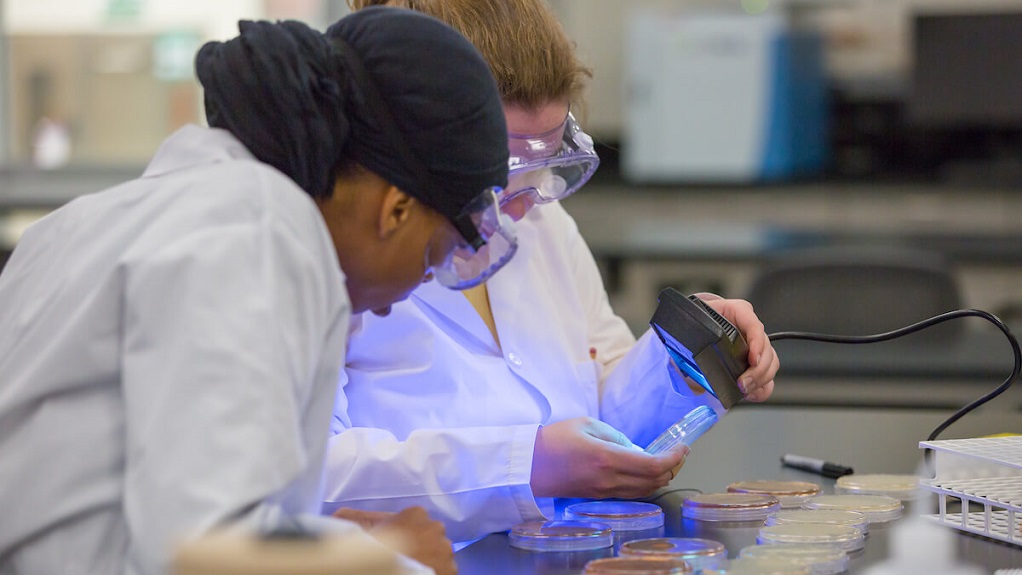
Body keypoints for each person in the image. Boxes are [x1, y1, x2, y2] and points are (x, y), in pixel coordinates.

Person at [0, 8, 514, 575]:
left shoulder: (94, 221)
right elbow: (197, 550)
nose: (398, 300)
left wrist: (308, 537)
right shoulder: (258, 228)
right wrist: (383, 563)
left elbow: (140, 499)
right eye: (430, 259)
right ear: (396, 209)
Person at [323, 0, 781, 545]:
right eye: (505, 172)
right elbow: (307, 480)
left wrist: (685, 355)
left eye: (546, 166)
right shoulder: (330, 253)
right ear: (417, 144)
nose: (526, 203)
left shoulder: (545, 225)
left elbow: (603, 419)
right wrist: (525, 466)